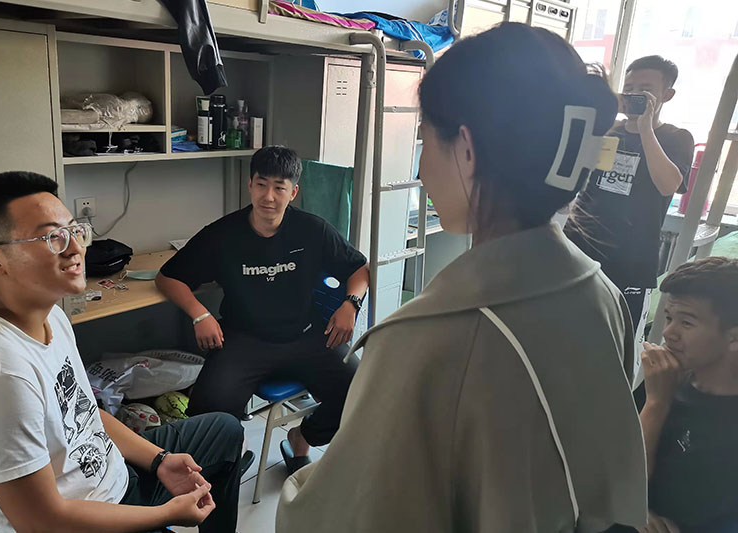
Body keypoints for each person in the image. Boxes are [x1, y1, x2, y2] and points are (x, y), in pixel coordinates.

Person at [276, 23, 647, 533]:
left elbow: (342, 516)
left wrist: (300, 488)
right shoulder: (601, 294)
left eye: (424, 139)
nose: (421, 170)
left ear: (467, 150)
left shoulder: (426, 338)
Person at [0, 171, 243, 533]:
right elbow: (42, 522)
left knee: (225, 430)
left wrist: (160, 460)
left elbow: (85, 412)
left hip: (113, 475)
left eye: (74, 230)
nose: (75, 248)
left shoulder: (51, 316)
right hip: (79, 520)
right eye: (51, 237)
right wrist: (166, 514)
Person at [155, 145, 368, 472]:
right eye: (261, 184)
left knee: (363, 391)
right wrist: (201, 314)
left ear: (293, 192)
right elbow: (168, 278)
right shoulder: (223, 234)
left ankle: (301, 439)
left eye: (279, 187)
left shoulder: (312, 229)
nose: (269, 196)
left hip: (306, 335)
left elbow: (359, 269)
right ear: (250, 185)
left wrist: (350, 304)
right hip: (244, 339)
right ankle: (231, 456)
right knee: (207, 410)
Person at [565, 55, 695, 388]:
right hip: (578, 247)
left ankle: (608, 404)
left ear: (666, 95)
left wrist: (646, 129)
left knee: (616, 346)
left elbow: (668, 184)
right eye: (630, 87)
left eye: (645, 89)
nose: (635, 94)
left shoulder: (676, 137)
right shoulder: (607, 129)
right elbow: (576, 177)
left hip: (630, 260)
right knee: (565, 333)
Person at [637, 257, 738, 532]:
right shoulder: (666, 379)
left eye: (687, 323)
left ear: (733, 337)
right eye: (669, 318)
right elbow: (612, 477)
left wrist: (657, 404)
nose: (668, 333)